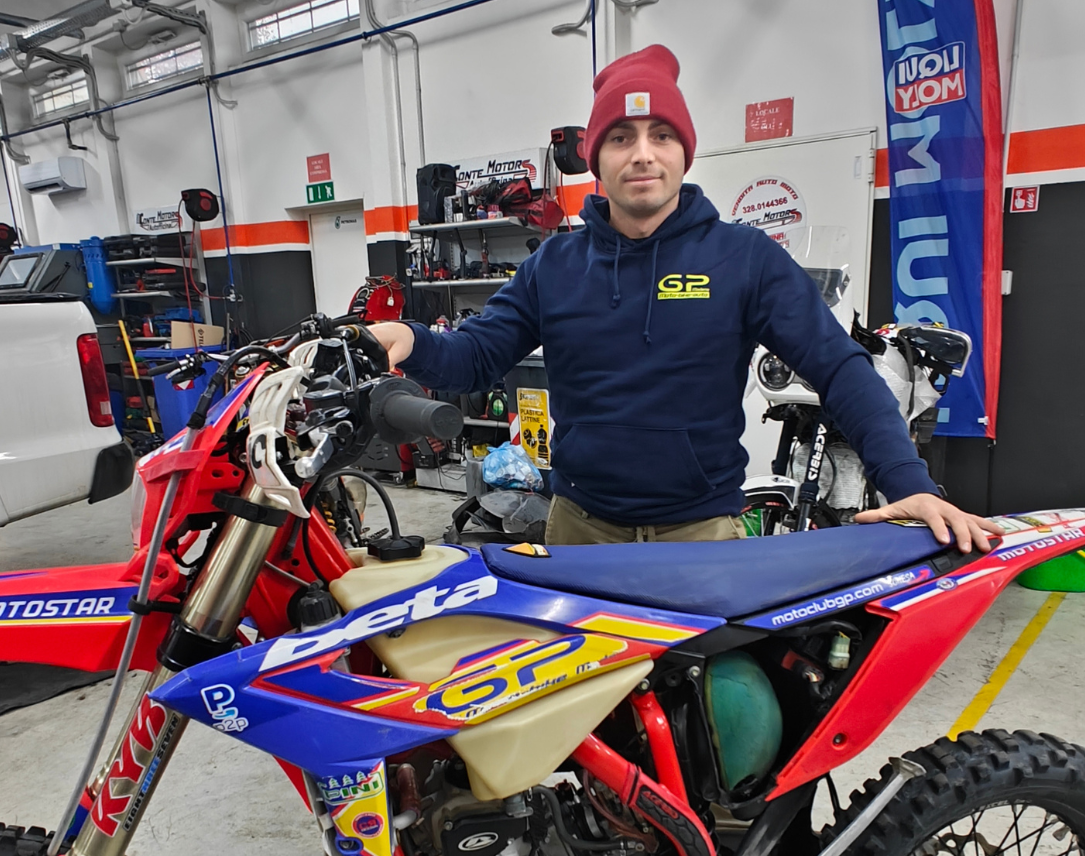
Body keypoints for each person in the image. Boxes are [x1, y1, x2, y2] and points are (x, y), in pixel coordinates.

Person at [371, 45, 996, 554]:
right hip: (580, 532)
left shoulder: (743, 258)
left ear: (684, 152)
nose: (643, 153)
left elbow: (839, 368)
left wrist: (906, 481)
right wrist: (410, 340)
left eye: (661, 135)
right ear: (596, 158)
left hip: (702, 533)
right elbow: (475, 357)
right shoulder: (553, 266)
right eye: (621, 137)